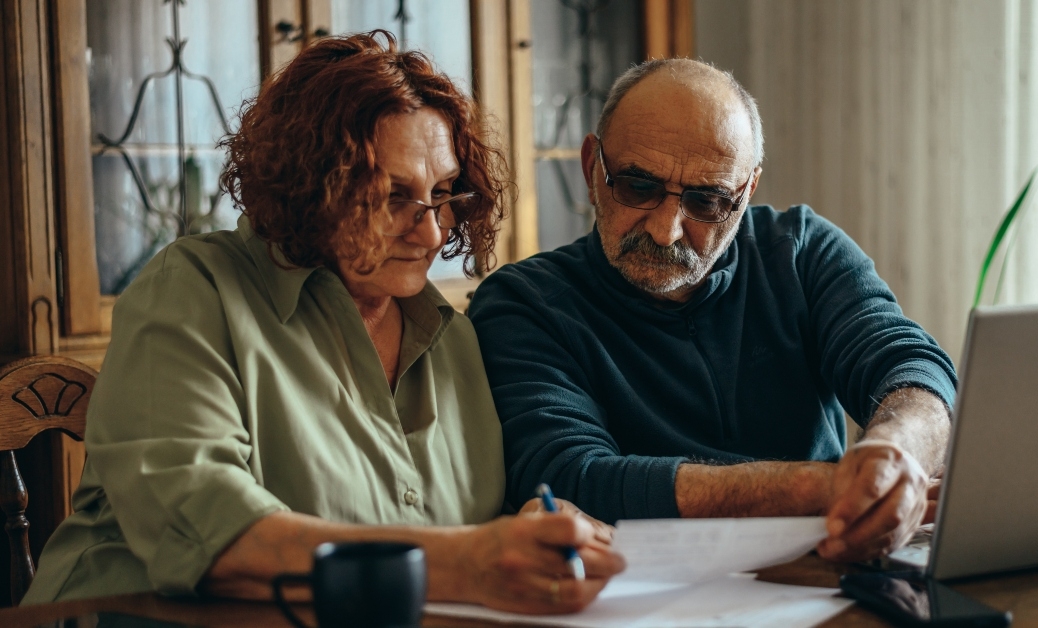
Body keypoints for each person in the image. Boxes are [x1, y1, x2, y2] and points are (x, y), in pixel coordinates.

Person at [22, 32, 623, 613]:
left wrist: (519, 534)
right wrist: (470, 559)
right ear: (311, 186)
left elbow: (443, 529)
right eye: (393, 197)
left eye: (442, 194)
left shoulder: (452, 336)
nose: (434, 230)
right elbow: (211, 535)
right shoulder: (191, 291)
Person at [467, 58, 957, 563]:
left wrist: (896, 454)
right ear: (593, 166)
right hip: (646, 593)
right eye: (639, 186)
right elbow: (572, 476)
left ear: (747, 192)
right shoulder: (524, 304)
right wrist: (823, 488)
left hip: (827, 570)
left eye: (707, 201)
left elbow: (911, 365)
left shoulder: (801, 250)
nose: (666, 230)